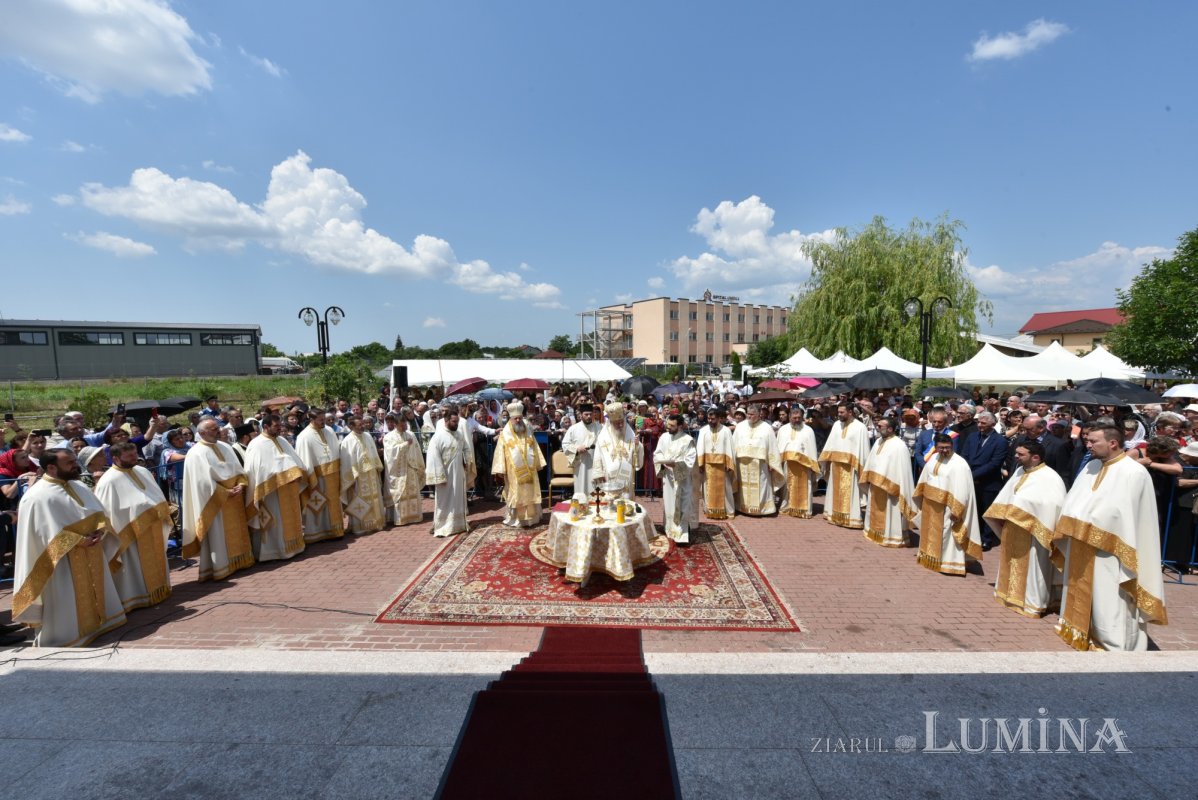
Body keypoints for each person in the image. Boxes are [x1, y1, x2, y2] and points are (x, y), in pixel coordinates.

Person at [1054, 425, 1167, 651]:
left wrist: (1092, 523)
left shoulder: (1133, 472)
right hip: (1082, 543)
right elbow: (1076, 500)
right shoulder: (1092, 466)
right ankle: (1080, 630)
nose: (1088, 445)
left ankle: (1112, 642)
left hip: (1113, 549)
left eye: (1093, 441)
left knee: (1110, 599)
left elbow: (1124, 514)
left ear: (1113, 443)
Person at [12, 448, 127, 646]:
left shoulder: (77, 485)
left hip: (91, 551)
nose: (76, 465)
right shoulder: (36, 497)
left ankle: (99, 623)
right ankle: (66, 636)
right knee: (66, 598)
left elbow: (98, 513)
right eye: (70, 463)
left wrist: (100, 530)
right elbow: (40, 536)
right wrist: (77, 541)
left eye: (74, 461)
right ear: (51, 467)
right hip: (59, 562)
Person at [983, 441, 1066, 619]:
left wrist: (1022, 508)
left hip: (1034, 533)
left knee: (1034, 568)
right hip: (1013, 527)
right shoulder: (1021, 471)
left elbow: (1053, 505)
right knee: (1010, 561)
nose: (1016, 457)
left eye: (1021, 454)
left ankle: (1032, 602)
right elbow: (1008, 495)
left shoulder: (1050, 477)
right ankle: (1009, 594)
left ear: (1035, 457)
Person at [93, 441, 173, 611]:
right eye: (129, 456)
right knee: (133, 566)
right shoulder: (108, 481)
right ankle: (137, 597)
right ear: (115, 458)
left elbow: (155, 494)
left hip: (152, 527)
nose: (134, 458)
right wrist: (139, 511)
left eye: (135, 454)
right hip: (129, 532)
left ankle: (159, 588)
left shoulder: (141, 471)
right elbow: (107, 512)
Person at [182, 419, 254, 581]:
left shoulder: (225, 447)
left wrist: (241, 485)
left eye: (217, 428)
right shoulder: (195, 453)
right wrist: (224, 492)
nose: (218, 431)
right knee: (218, 535)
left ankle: (240, 560)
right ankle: (221, 566)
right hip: (215, 501)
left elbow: (238, 470)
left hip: (234, 499)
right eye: (213, 429)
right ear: (201, 433)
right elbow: (200, 482)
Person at [243, 414, 308, 562]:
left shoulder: (281, 440)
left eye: (280, 426)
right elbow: (257, 470)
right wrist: (281, 475)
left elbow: (294, 459)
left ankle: (295, 545)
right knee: (275, 522)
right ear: (265, 426)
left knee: (291, 518)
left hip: (289, 489)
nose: (279, 429)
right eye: (276, 426)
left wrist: (296, 472)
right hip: (271, 492)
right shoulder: (257, 444)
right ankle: (276, 550)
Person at [913, 434, 982, 575]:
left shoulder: (959, 464)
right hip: (930, 505)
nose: (944, 450)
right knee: (929, 533)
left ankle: (948, 563)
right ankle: (930, 557)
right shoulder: (934, 458)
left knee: (947, 535)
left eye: (947, 447)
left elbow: (962, 490)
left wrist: (957, 510)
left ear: (952, 445)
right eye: (941, 448)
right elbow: (925, 478)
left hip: (947, 507)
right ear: (935, 447)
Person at [958, 410, 1010, 550]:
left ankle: (987, 539)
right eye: (978, 422)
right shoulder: (972, 437)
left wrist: (973, 474)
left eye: (983, 423)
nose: (980, 425)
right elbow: (964, 455)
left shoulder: (1000, 441)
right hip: (970, 480)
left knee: (986, 512)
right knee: (974, 510)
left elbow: (994, 463)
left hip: (989, 482)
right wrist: (967, 472)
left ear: (993, 424)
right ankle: (973, 535)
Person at [860, 418, 915, 548]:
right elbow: (872, 460)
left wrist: (888, 482)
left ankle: (891, 537)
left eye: (880, 426)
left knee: (891, 511)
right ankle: (874, 532)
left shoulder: (899, 445)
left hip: (891, 488)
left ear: (890, 429)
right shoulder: (879, 441)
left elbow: (901, 471)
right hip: (876, 485)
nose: (877, 428)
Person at [491, 402, 546, 528]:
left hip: (530, 468)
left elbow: (535, 445)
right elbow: (500, 451)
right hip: (513, 470)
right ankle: (516, 518)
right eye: (515, 418)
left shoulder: (527, 429)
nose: (518, 420)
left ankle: (532, 518)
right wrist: (500, 469)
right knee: (516, 492)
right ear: (510, 418)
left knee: (530, 491)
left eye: (520, 418)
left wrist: (538, 462)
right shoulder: (505, 433)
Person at [294, 410, 345, 543]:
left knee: (333, 503)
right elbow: (304, 460)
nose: (324, 422)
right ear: (311, 419)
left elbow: (335, 451)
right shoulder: (304, 436)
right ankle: (317, 533)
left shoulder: (329, 430)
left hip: (332, 475)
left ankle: (335, 530)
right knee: (319, 505)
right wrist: (311, 479)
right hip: (317, 477)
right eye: (320, 419)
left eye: (324, 418)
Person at [818, 403, 870, 529]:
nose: (839, 415)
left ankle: (851, 518)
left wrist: (861, 467)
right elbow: (831, 443)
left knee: (850, 493)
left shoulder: (860, 427)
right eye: (838, 412)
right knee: (834, 491)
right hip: (836, 465)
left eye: (842, 412)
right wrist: (826, 460)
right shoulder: (836, 425)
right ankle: (833, 515)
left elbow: (863, 450)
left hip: (851, 467)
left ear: (850, 412)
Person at [731, 404, 783, 516]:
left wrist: (772, 463)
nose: (749, 417)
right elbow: (734, 444)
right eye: (748, 414)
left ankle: (762, 508)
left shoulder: (767, 428)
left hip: (760, 464)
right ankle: (742, 507)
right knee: (743, 486)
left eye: (752, 414)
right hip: (742, 463)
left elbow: (772, 446)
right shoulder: (740, 426)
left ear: (759, 414)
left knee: (762, 485)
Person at [654, 413, 699, 543]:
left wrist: (676, 465)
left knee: (682, 504)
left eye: (672, 426)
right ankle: (669, 529)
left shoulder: (688, 440)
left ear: (680, 426)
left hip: (683, 479)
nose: (668, 428)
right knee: (669, 504)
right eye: (668, 425)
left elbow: (690, 461)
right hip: (668, 478)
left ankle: (682, 533)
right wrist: (662, 463)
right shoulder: (664, 437)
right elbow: (657, 453)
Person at [339, 415, 386, 535]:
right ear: (351, 426)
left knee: (374, 498)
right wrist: (351, 478)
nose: (362, 427)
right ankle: (361, 526)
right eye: (359, 425)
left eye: (363, 424)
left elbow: (374, 453)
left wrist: (376, 468)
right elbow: (346, 462)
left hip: (371, 474)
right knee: (360, 499)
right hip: (358, 477)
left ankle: (376, 523)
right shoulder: (347, 441)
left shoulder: (368, 436)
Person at [427, 408, 471, 537]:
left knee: (458, 499)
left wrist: (466, 460)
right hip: (445, 476)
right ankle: (441, 526)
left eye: (457, 421)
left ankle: (458, 525)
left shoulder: (459, 435)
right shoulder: (438, 437)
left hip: (458, 474)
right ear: (446, 420)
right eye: (453, 421)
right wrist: (439, 477)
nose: (456, 424)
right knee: (444, 502)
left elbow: (466, 448)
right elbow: (433, 458)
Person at [592, 401, 644, 500]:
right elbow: (597, 456)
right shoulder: (602, 437)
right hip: (608, 478)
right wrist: (599, 473)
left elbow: (636, 453)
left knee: (626, 503)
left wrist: (637, 445)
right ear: (610, 423)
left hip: (626, 476)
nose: (620, 425)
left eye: (622, 422)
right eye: (617, 423)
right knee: (610, 504)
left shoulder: (629, 432)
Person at [776, 404, 819, 519]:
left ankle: (804, 509)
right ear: (789, 416)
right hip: (787, 464)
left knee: (805, 487)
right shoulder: (783, 430)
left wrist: (811, 465)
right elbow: (779, 448)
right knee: (786, 488)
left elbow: (812, 450)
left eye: (799, 417)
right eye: (794, 418)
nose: (797, 420)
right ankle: (787, 507)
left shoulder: (808, 431)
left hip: (804, 466)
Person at [383, 413, 425, 526]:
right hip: (398, 471)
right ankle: (399, 518)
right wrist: (405, 445)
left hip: (411, 468)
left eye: (405, 424)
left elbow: (417, 451)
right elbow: (390, 454)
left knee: (412, 492)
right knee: (399, 494)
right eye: (402, 425)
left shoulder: (411, 434)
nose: (405, 427)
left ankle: (414, 516)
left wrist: (419, 465)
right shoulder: (389, 437)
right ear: (395, 425)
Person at [696, 408, 736, 520]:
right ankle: (709, 509)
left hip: (722, 466)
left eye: (713, 419)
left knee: (726, 489)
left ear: (718, 418)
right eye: (708, 418)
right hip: (707, 465)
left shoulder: (726, 431)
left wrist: (729, 463)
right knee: (707, 488)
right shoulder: (703, 430)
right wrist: (700, 464)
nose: (710, 421)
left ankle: (727, 510)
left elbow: (730, 448)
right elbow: (700, 448)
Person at [560, 403, 602, 496]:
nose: (589, 416)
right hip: (580, 465)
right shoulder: (573, 429)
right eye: (586, 414)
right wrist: (577, 449)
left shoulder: (599, 428)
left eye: (590, 414)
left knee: (596, 491)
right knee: (581, 490)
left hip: (596, 465)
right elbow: (565, 444)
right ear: (581, 415)